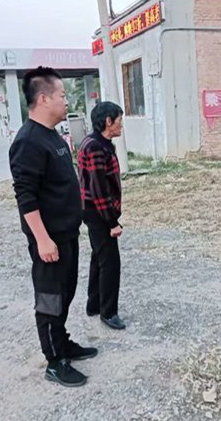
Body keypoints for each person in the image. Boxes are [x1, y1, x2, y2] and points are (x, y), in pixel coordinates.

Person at [8, 66, 97, 388]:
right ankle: (54, 361)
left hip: (67, 233)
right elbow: (25, 196)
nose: (66, 100)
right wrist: (43, 240)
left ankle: (63, 344)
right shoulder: (28, 141)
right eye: (62, 95)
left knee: (65, 293)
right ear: (44, 98)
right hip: (50, 240)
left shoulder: (52, 135)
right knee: (50, 299)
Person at [78, 101, 126, 330]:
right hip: (97, 211)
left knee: (99, 257)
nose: (121, 125)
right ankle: (108, 312)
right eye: (119, 120)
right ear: (108, 121)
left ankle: (94, 304)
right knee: (110, 262)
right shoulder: (96, 147)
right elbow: (98, 189)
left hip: (95, 209)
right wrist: (112, 222)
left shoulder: (98, 143)